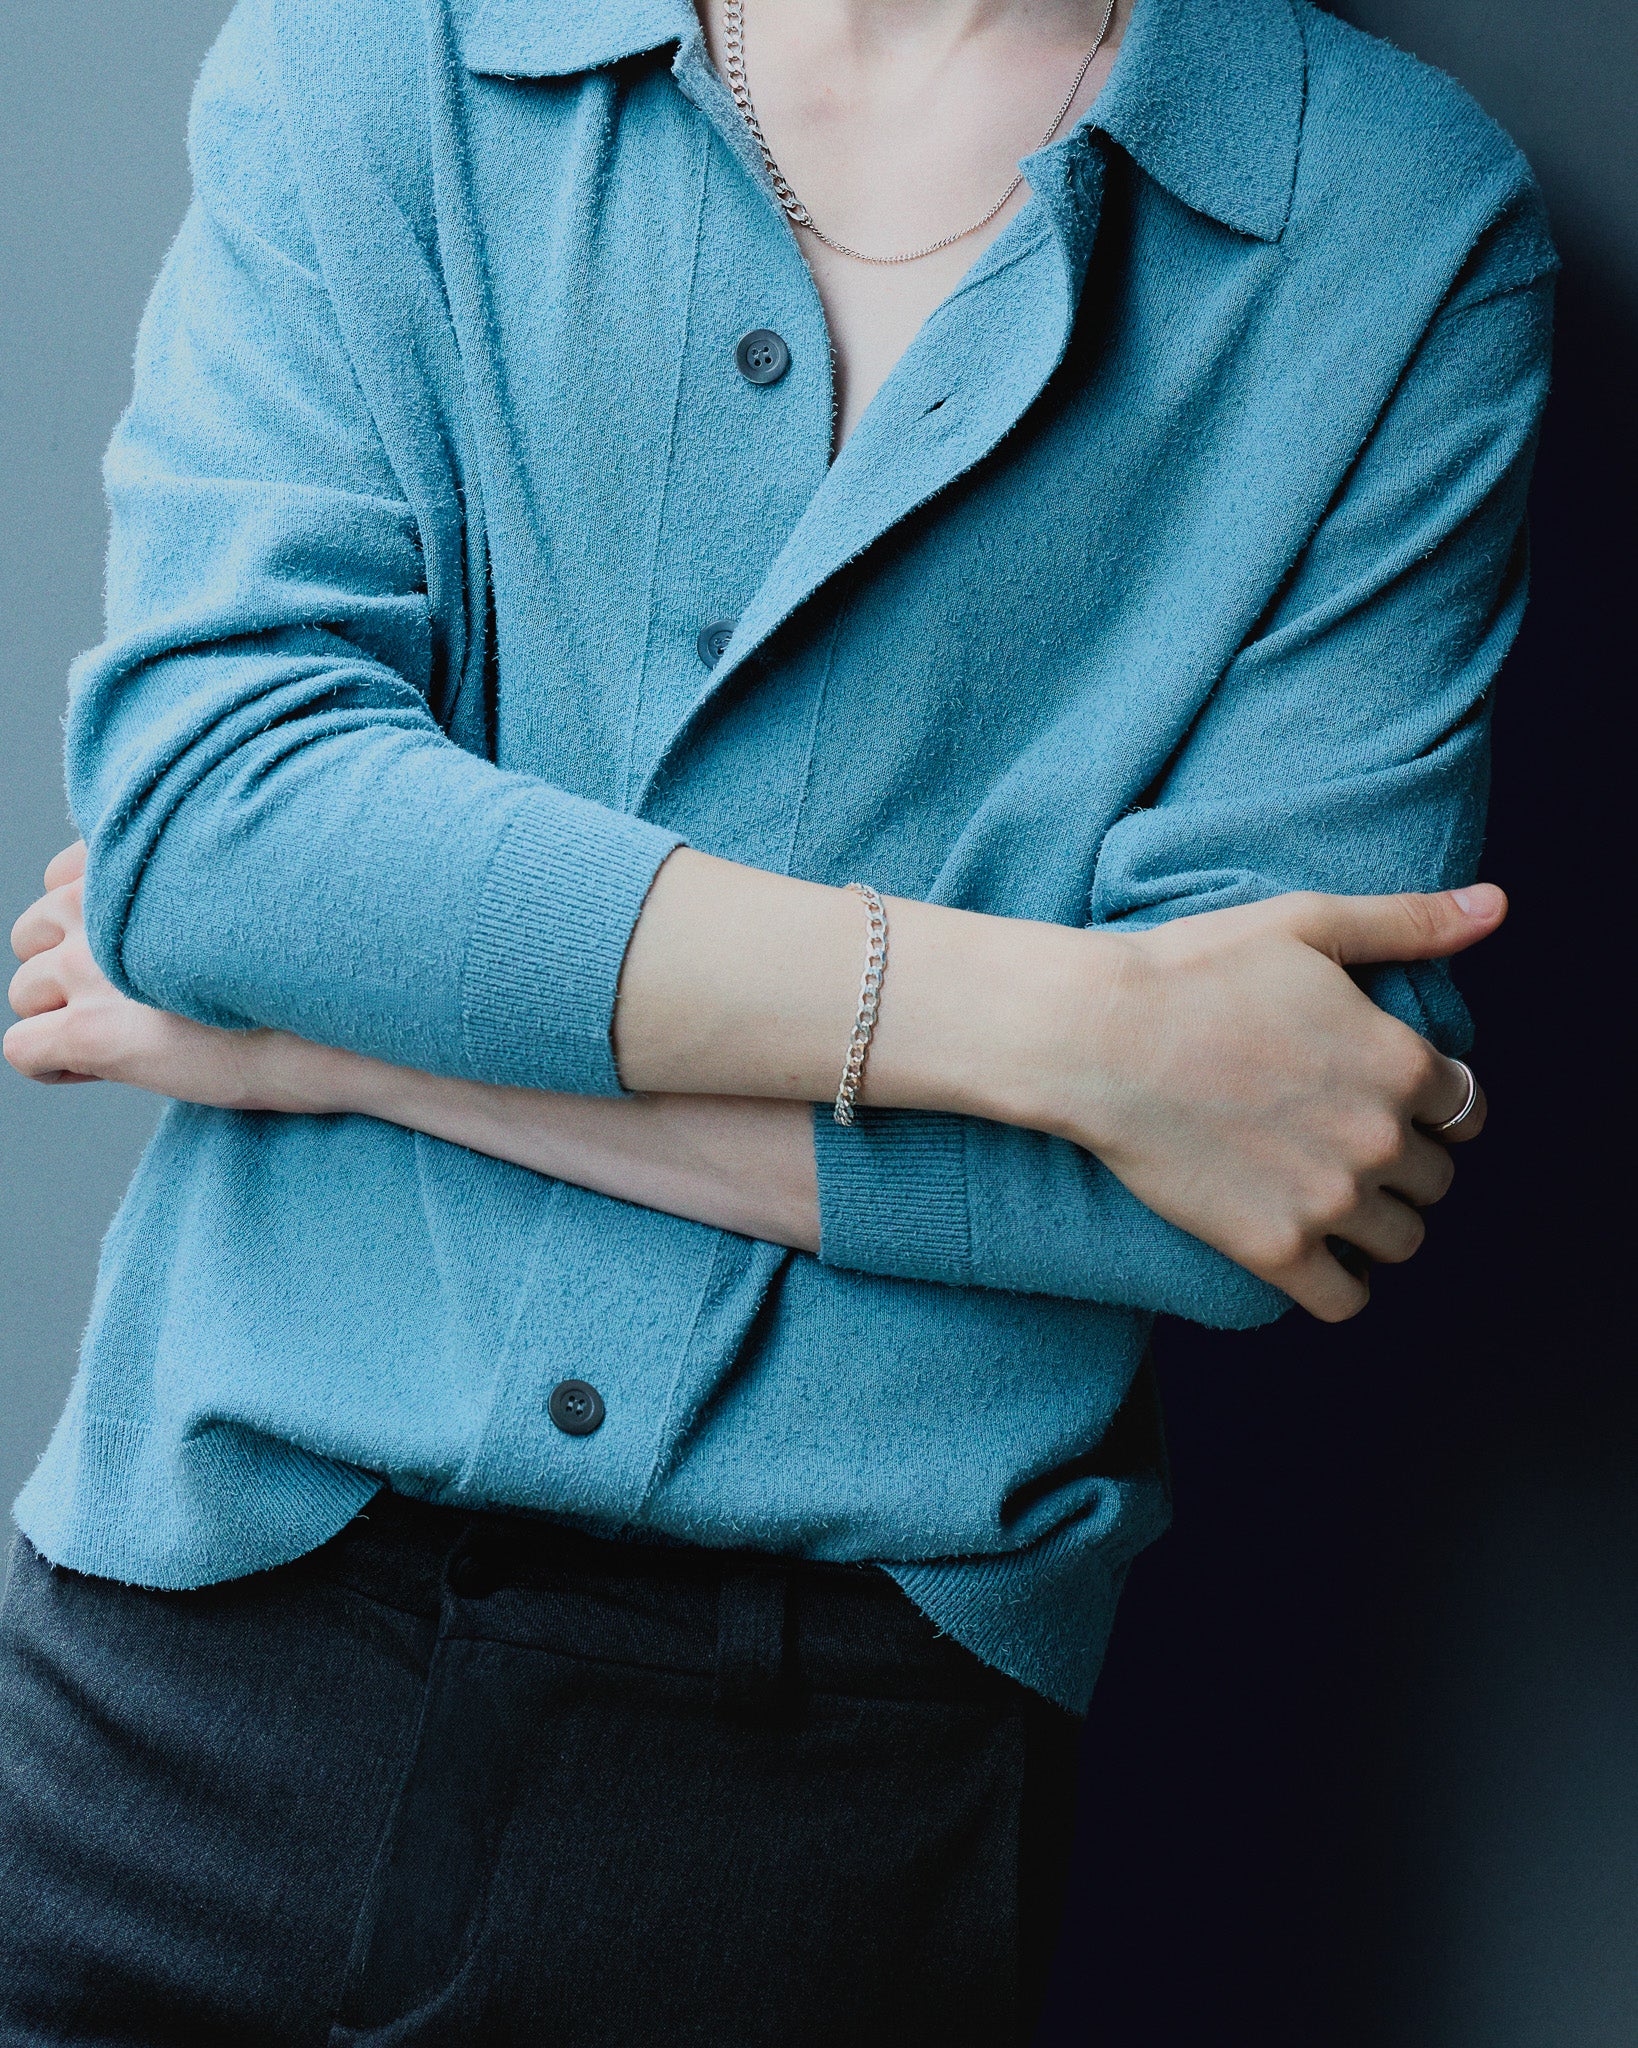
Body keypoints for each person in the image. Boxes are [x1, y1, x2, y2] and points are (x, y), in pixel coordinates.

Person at [0, 0, 1551, 2037]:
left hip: (832, 1773)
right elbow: (214, 828)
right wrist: (1072, 1029)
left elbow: (1252, 1178)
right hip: (182, 1665)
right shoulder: (389, 51)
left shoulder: (1394, 220)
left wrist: (325, 1044)